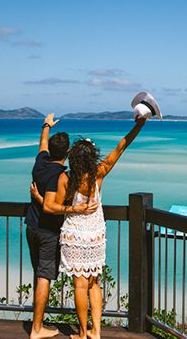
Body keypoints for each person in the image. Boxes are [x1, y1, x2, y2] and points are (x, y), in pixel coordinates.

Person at [31, 117, 146, 339]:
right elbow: (121, 146)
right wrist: (139, 125)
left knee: (80, 286)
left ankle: (82, 333)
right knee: (94, 283)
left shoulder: (65, 178)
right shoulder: (98, 174)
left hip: (74, 235)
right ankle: (96, 331)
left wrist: (70, 208)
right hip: (95, 235)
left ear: (73, 158)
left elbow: (51, 206)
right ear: (91, 157)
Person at [26, 114, 98, 339]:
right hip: (48, 231)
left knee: (39, 273)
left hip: (31, 226)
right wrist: (77, 210)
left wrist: (46, 126)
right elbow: (51, 206)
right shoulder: (60, 176)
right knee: (44, 277)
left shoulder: (40, 162)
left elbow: (42, 144)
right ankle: (37, 328)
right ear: (67, 154)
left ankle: (39, 323)